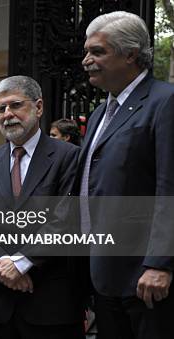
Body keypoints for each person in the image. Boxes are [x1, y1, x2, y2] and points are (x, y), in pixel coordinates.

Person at [78, 11, 174, 339]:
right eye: (86, 52)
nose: (86, 60)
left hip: (147, 278)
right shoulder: (97, 116)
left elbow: (169, 186)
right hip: (104, 274)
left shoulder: (165, 102)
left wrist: (160, 263)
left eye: (97, 52)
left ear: (131, 54)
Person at [0, 75, 85, 339]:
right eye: (1, 109)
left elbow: (66, 217)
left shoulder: (68, 157)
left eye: (15, 105)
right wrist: (5, 270)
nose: (7, 114)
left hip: (50, 297)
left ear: (39, 107)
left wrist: (23, 262)